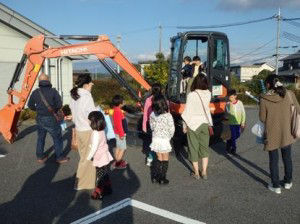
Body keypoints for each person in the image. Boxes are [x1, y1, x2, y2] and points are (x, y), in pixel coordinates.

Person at [260, 74, 300, 194]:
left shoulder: (264, 98)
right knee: (287, 158)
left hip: (271, 133)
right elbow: (298, 109)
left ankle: (276, 186)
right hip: (287, 132)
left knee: (273, 160)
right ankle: (288, 182)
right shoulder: (289, 94)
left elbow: (262, 118)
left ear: (268, 84)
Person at [28, 73, 69, 164]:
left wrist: (38, 110)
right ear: (48, 80)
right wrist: (54, 110)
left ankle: (40, 157)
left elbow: (30, 105)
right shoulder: (53, 91)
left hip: (40, 118)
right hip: (51, 118)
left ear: (39, 81)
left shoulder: (35, 92)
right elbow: (59, 105)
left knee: (41, 138)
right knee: (57, 138)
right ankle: (59, 157)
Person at [70, 74, 98, 190]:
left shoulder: (74, 95)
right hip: (87, 130)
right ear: (86, 84)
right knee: (87, 157)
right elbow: (91, 115)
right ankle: (81, 183)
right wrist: (97, 111)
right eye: (91, 82)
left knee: (84, 156)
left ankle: (85, 181)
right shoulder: (87, 96)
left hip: (79, 128)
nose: (92, 84)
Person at [182, 74, 213, 180]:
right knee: (205, 148)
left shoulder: (192, 95)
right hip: (205, 123)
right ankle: (204, 172)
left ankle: (196, 173)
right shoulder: (209, 94)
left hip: (193, 124)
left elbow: (188, 111)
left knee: (193, 148)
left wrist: (184, 125)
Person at [87, 111, 113, 200]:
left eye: (90, 120)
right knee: (104, 173)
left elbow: (94, 147)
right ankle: (108, 188)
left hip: (99, 157)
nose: (88, 122)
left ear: (94, 122)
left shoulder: (95, 133)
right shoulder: (101, 130)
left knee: (100, 176)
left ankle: (99, 192)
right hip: (104, 155)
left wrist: (89, 157)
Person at [150, 94, 175, 184]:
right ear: (164, 104)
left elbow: (152, 127)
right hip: (165, 139)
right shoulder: (168, 116)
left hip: (156, 139)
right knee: (165, 159)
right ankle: (162, 178)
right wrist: (169, 137)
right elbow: (172, 129)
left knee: (158, 158)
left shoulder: (152, 114)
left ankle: (155, 176)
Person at [142, 83, 162, 166]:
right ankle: (159, 160)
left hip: (151, 124)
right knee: (161, 143)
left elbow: (145, 114)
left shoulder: (148, 100)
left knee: (153, 143)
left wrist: (144, 126)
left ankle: (150, 159)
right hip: (161, 124)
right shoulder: (164, 99)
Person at [226, 89, 246, 155]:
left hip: (238, 123)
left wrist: (243, 122)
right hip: (231, 123)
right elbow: (228, 112)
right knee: (234, 136)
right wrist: (230, 106)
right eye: (229, 97)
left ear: (235, 96)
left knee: (237, 135)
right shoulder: (228, 104)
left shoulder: (240, 103)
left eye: (231, 97)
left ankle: (229, 142)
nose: (230, 98)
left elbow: (243, 113)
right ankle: (233, 149)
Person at [111, 95, 128, 169]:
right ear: (120, 103)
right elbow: (119, 124)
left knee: (118, 147)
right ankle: (118, 164)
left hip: (118, 133)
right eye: (123, 101)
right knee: (122, 148)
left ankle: (117, 160)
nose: (124, 102)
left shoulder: (116, 109)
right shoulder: (118, 111)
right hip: (120, 133)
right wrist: (122, 134)